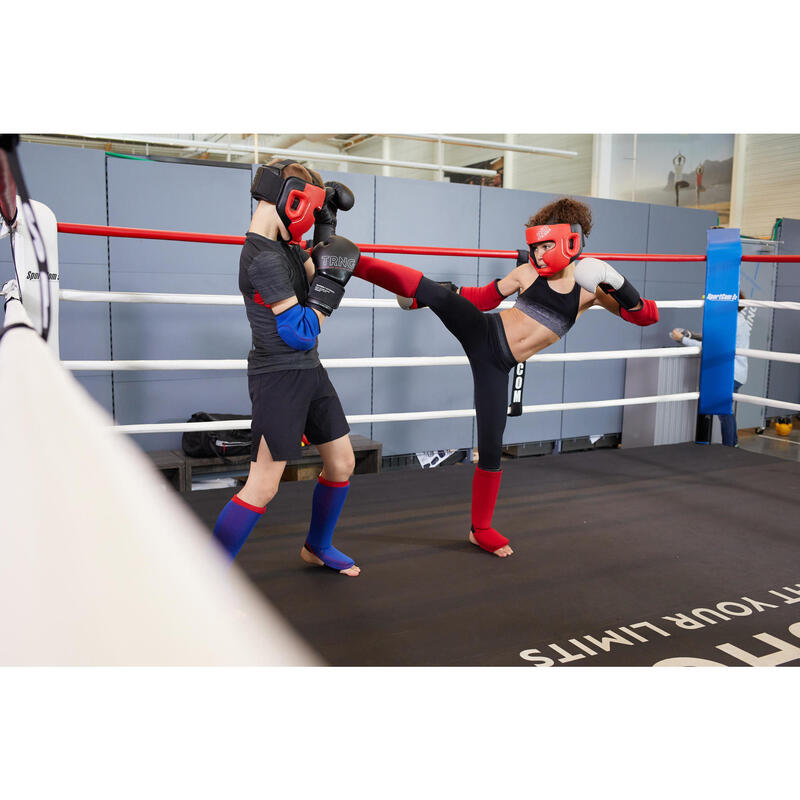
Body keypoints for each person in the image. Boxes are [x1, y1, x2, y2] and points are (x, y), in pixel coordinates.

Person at [352, 197, 659, 557]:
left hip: (497, 366)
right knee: (434, 291)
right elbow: (483, 299)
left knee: (492, 443)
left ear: (570, 242)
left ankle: (480, 529)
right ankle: (350, 262)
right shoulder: (526, 274)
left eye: (548, 245)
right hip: (482, 331)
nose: (541, 255)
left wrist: (617, 282)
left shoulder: (591, 289)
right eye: (537, 247)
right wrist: (444, 297)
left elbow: (645, 317)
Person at [211, 158, 363, 576]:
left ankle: (317, 546)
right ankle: (205, 583)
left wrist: (324, 234)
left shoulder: (286, 247)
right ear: (292, 201)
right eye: (311, 210)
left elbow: (317, 273)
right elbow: (300, 330)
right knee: (263, 485)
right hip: (278, 376)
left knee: (342, 463)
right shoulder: (262, 258)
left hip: (309, 371)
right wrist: (333, 286)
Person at [671, 291, 754, 447]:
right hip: (734, 372)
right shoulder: (737, 320)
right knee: (725, 411)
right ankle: (731, 445)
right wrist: (692, 335)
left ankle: (730, 446)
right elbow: (716, 338)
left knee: (724, 412)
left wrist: (683, 339)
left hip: (730, 372)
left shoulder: (731, 322)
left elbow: (712, 347)